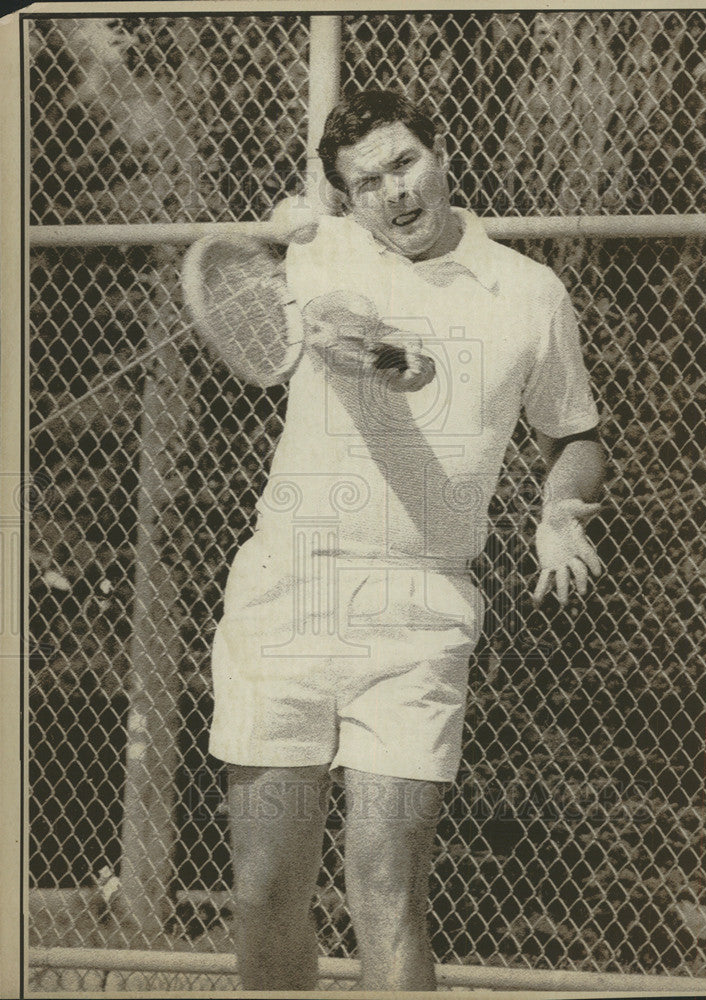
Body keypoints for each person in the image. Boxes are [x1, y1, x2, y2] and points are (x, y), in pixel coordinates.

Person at [208, 89, 605, 991]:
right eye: (365, 183)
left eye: (403, 164)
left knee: (387, 892)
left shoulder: (529, 293)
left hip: (422, 607)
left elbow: (574, 435)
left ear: (438, 152)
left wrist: (555, 512)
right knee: (266, 890)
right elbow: (275, 245)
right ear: (345, 198)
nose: (392, 192)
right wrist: (294, 233)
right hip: (287, 597)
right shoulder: (324, 250)